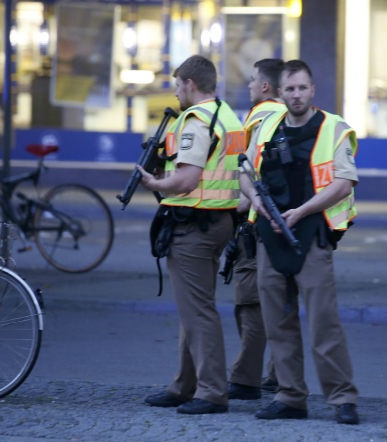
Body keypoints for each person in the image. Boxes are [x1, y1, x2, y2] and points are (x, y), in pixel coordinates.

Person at [239, 59, 360, 425]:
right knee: (278, 323)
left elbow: (344, 183)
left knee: (324, 323)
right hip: (270, 235)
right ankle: (290, 396)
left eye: (302, 88)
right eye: (289, 89)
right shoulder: (265, 126)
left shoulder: (333, 127)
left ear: (312, 90)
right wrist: (256, 199)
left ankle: (342, 398)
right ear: (280, 92)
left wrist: (302, 211)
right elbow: (243, 171)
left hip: (311, 234)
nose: (296, 95)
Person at [137, 54, 245, 415]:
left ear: (190, 84)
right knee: (193, 308)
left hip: (194, 225)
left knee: (198, 313)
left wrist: (154, 183)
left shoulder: (197, 120)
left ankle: (211, 391)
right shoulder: (227, 116)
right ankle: (184, 385)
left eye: (177, 85)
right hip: (219, 220)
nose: (176, 92)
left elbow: (187, 179)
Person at [225, 58, 286, 401]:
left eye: (252, 80)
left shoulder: (261, 118)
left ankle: (245, 379)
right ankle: (279, 375)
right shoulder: (294, 118)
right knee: (280, 302)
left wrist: (228, 209)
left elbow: (248, 176)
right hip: (288, 224)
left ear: (265, 86)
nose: (249, 86)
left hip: (255, 225)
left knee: (250, 303)